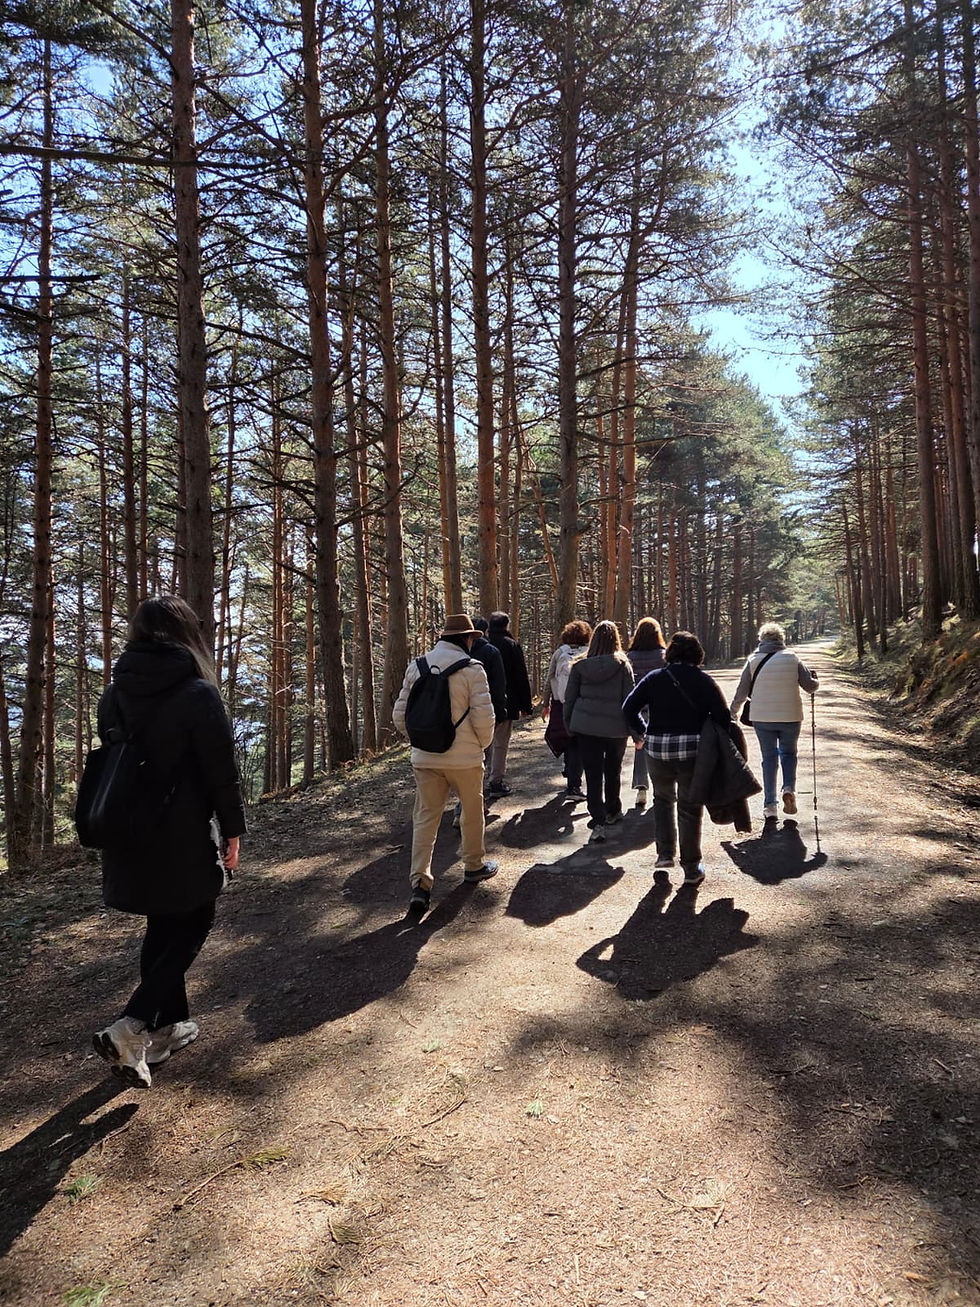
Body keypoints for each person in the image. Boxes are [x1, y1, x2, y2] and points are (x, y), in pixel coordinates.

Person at [91, 595, 246, 1090]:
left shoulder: (113, 694)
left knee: (163, 922)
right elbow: (221, 771)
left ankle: (166, 1031)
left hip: (126, 833)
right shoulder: (197, 693)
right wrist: (234, 830)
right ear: (186, 636)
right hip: (180, 832)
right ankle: (132, 1026)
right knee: (196, 917)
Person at [393, 613, 498, 919]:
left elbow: (400, 716)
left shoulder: (417, 666)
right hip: (464, 758)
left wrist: (421, 739)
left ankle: (420, 884)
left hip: (425, 757)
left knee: (426, 817)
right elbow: (484, 718)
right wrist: (480, 745)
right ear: (467, 638)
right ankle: (474, 865)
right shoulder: (473, 669)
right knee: (471, 810)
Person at [622, 630, 730, 886]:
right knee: (690, 808)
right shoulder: (704, 681)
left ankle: (664, 855)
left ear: (670, 653)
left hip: (657, 750)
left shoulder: (654, 678)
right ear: (697, 654)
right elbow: (723, 718)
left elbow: (628, 708)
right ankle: (691, 868)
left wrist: (643, 731)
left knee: (662, 800)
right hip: (692, 752)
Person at [729, 621, 819, 820]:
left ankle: (770, 806)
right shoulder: (792, 658)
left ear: (761, 640)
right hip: (790, 716)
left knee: (768, 758)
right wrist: (816, 680)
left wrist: (732, 713)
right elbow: (810, 687)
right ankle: (788, 788)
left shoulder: (752, 660)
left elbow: (741, 692)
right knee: (788, 753)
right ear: (781, 639)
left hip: (762, 717)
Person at [563, 620, 634, 844]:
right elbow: (629, 699)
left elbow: (570, 699)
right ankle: (613, 810)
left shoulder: (580, 666)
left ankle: (598, 819)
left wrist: (569, 725)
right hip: (615, 728)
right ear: (616, 639)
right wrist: (634, 729)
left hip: (587, 727)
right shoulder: (623, 665)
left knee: (593, 774)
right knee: (613, 770)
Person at [541, 619, 592, 799]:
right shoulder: (589, 653)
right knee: (578, 743)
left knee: (566, 739)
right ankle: (574, 786)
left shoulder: (560, 653)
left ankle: (570, 774)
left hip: (560, 704)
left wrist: (545, 704)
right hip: (581, 704)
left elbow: (549, 679)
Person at [485, 611, 533, 797]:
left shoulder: (483, 645)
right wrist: (525, 705)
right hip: (506, 702)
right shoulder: (511, 645)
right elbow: (520, 676)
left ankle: (480, 782)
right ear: (506, 625)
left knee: (484, 744)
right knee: (500, 743)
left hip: (481, 703)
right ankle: (495, 781)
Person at [625, 617, 667, 810]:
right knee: (662, 748)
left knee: (641, 746)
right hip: (659, 709)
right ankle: (662, 787)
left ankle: (642, 789)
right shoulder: (663, 656)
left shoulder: (629, 657)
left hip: (638, 709)